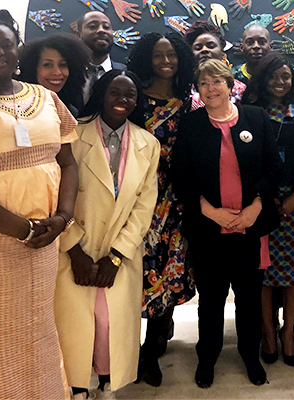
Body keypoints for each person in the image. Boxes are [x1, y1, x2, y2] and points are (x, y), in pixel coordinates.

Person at [0, 9, 79, 400]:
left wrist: (62, 219)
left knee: (39, 327)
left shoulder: (45, 98)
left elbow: (67, 162)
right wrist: (23, 229)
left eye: (6, 44)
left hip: (45, 241)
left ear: (18, 49)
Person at [173, 59, 281, 388]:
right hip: (209, 230)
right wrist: (209, 211)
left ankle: (250, 354)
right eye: (204, 83)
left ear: (231, 84)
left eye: (217, 81)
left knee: (249, 298)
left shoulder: (256, 118)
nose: (211, 88)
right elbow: (181, 176)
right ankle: (208, 356)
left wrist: (256, 207)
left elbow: (273, 169)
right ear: (198, 90)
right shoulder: (191, 125)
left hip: (249, 228)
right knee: (212, 299)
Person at [54, 70, 159, 399]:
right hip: (75, 249)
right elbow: (53, 194)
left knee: (110, 325)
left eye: (130, 95)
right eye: (115, 92)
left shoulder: (148, 143)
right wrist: (75, 250)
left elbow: (145, 206)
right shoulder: (73, 135)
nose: (122, 100)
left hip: (120, 253)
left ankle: (106, 384)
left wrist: (116, 256)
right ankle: (77, 386)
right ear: (101, 94)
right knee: (75, 327)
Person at [126, 30, 196, 387]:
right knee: (135, 277)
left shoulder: (190, 104)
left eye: (171, 55)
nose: (166, 61)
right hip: (138, 202)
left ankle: (150, 354)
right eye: (158, 55)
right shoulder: (135, 100)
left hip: (178, 205)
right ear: (146, 59)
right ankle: (128, 350)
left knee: (168, 276)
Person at [242, 53, 294, 367]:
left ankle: (289, 335)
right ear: (264, 79)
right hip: (262, 199)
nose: (280, 82)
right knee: (264, 271)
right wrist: (265, 195)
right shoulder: (253, 111)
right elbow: (250, 158)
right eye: (273, 76)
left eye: (285, 76)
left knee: (292, 271)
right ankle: (268, 334)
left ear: (293, 79)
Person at [18, 33, 91, 116]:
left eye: (63, 65)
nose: (57, 72)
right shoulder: (17, 108)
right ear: (32, 68)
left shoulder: (70, 111)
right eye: (47, 65)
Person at [183, 20, 246, 109]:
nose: (204, 50)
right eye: (198, 48)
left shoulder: (240, 90)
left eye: (211, 46)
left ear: (222, 52)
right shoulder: (183, 90)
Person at [76, 11, 126, 101]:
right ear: (79, 35)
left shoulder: (126, 73)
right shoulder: (67, 72)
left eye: (106, 27)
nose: (101, 30)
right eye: (92, 26)